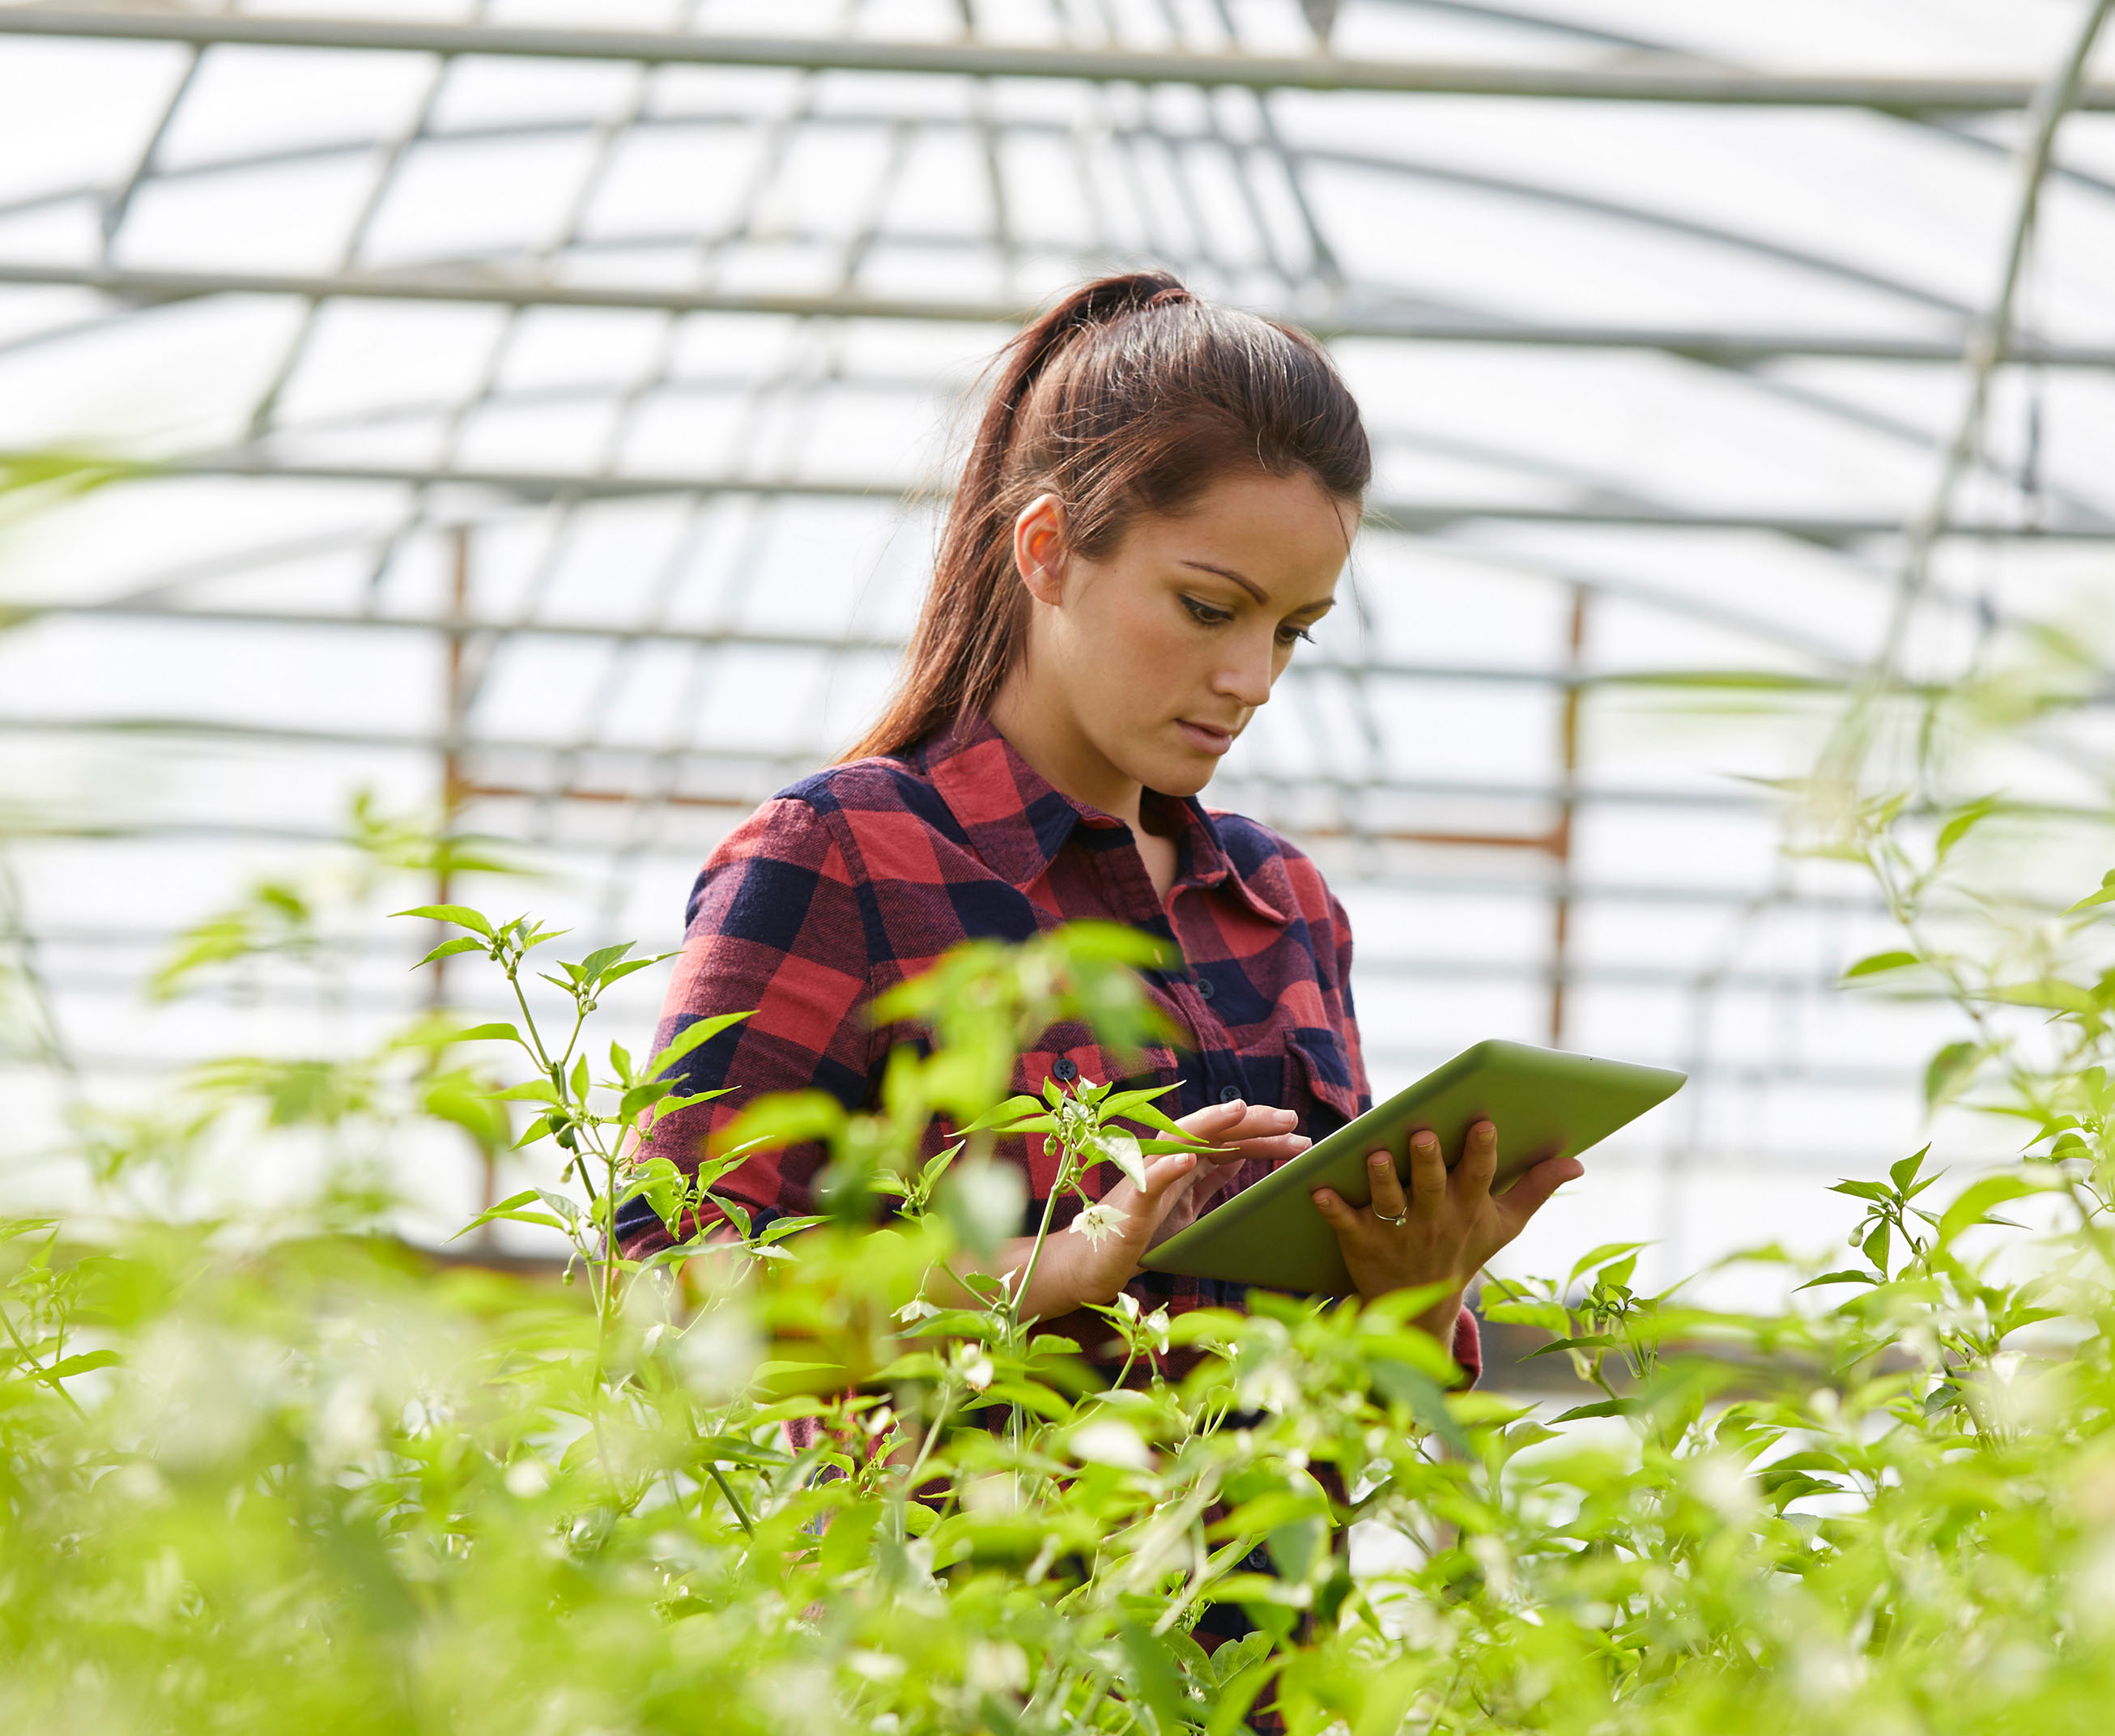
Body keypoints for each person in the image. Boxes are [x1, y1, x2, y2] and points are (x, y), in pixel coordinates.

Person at [628, 270, 1581, 1384]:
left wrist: (1414, 1294)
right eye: (1209, 607)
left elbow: (1357, 1420)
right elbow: (665, 1298)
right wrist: (1061, 1265)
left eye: (1292, 632)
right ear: (1046, 550)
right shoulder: (842, 860)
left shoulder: (1283, 908)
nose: (1251, 679)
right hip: (936, 1559)